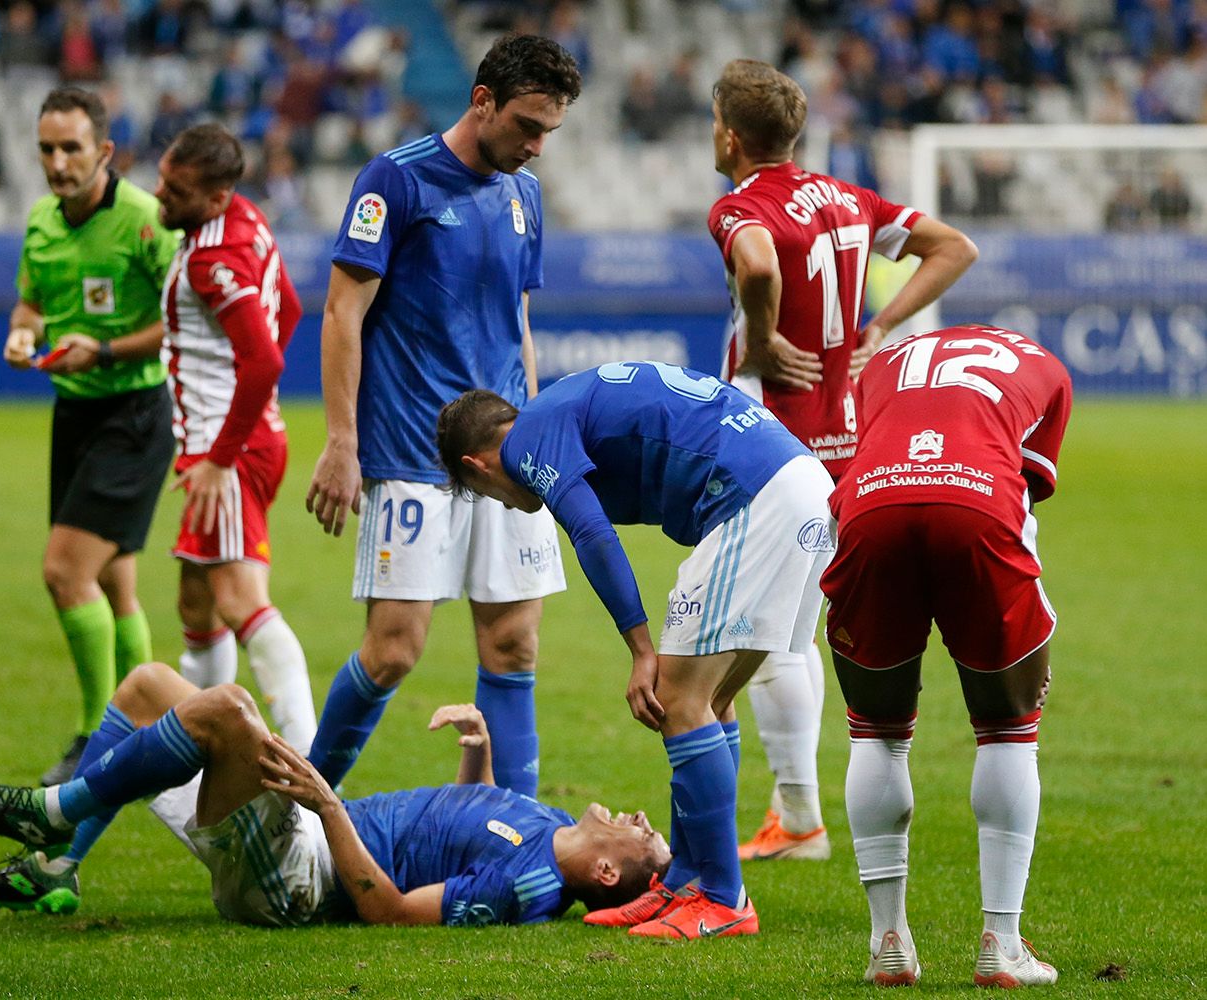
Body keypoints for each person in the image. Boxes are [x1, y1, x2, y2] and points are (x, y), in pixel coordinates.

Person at [434, 360, 834, 941]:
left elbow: (591, 533)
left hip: (756, 494)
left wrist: (640, 648)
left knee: (678, 697)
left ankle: (722, 898)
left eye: (485, 496)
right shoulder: (557, 409)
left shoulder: (525, 443)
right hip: (800, 484)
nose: (504, 503)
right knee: (710, 699)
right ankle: (687, 881)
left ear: (476, 466)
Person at [706, 58, 979, 862]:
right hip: (845, 439)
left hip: (772, 441)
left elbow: (759, 262)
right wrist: (881, 326)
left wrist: (761, 339)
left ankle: (799, 819)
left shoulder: (740, 206)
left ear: (730, 135)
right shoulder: (847, 199)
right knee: (794, 630)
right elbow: (954, 247)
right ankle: (795, 815)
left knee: (769, 637)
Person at [301, 34, 582, 799]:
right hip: (410, 450)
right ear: (482, 100)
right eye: (527, 125)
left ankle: (517, 831)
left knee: (514, 645)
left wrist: (535, 436)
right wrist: (341, 441)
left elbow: (517, 323)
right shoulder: (395, 180)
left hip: (506, 458)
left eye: (549, 131)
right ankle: (303, 809)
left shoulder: (526, 197)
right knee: (394, 649)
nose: (537, 146)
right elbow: (342, 313)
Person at [0, 663, 671, 925]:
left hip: (299, 879)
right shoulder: (548, 824)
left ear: (607, 873)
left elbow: (391, 912)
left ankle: (49, 815)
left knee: (229, 709)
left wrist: (326, 805)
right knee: (149, 687)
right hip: (301, 834)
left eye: (646, 837)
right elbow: (461, 835)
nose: (642, 818)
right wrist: (477, 757)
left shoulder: (526, 889)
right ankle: (58, 866)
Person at [821, 324, 1070, 987]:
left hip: (871, 505)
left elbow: (868, 448)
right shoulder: (1047, 367)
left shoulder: (883, 362)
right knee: (1008, 727)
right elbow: (1024, 493)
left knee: (875, 730)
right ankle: (1002, 943)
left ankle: (888, 942)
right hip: (977, 503)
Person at [4, 87, 178, 786]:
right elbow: (31, 301)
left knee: (64, 572)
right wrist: (23, 333)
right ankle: (152, 734)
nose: (57, 162)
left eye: (70, 148)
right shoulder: (40, 221)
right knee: (112, 583)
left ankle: (93, 738)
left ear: (104, 151)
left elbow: (184, 318)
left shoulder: (145, 220)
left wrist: (103, 351)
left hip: (135, 413)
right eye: (46, 149)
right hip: (73, 414)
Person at [151, 122, 318, 754]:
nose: (160, 196)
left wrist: (222, 457)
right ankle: (197, 752)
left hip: (229, 451)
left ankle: (311, 769)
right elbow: (289, 310)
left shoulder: (209, 259)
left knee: (240, 601)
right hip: (247, 438)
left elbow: (265, 360)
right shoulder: (247, 218)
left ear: (216, 196)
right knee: (196, 603)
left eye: (177, 192)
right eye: (163, 181)